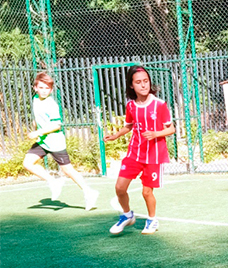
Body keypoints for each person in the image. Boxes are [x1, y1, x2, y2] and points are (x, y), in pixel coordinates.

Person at [104, 66, 175, 235]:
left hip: (154, 155)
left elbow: (171, 128)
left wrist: (156, 133)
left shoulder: (159, 105)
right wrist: (115, 136)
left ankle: (152, 220)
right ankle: (127, 215)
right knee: (120, 188)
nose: (143, 85)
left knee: (146, 191)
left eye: (146, 81)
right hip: (134, 153)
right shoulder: (130, 106)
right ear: (131, 86)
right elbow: (128, 126)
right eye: (138, 82)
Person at [23, 72, 99, 210]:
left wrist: (37, 132)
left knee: (68, 170)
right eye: (41, 87)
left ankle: (89, 192)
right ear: (35, 88)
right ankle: (53, 181)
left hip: (54, 141)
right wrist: (36, 126)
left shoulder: (51, 104)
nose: (44, 90)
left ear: (51, 90)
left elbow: (56, 125)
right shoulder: (35, 99)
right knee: (27, 163)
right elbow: (39, 118)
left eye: (47, 88)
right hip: (43, 141)